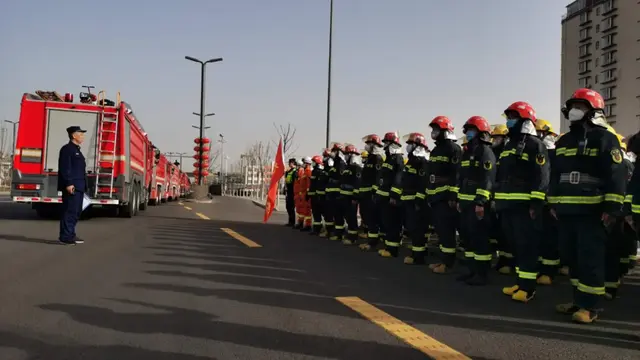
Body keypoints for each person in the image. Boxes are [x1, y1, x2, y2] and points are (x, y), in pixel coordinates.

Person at [550, 88, 625, 323]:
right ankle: (577, 300)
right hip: (566, 211)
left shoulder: (605, 138)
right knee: (571, 257)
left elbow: (616, 175)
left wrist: (611, 208)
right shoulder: (564, 140)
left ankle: (590, 307)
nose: (574, 111)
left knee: (589, 259)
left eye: (579, 106)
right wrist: (552, 201)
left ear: (592, 110)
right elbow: (554, 175)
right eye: (572, 106)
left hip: (593, 212)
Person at [496, 101, 549, 303]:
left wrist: (536, 204)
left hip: (524, 206)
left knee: (527, 246)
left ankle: (528, 288)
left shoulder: (535, 145)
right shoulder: (510, 145)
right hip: (508, 205)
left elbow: (542, 176)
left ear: (525, 120)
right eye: (509, 118)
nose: (510, 122)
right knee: (516, 245)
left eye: (514, 117)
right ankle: (520, 282)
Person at [456, 116, 497, 285]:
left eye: (472, 130)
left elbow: (487, 179)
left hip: (477, 204)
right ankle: (472, 271)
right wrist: (459, 199)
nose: (469, 133)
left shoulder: (485, 152)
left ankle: (482, 274)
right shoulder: (468, 152)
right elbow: (462, 178)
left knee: (480, 239)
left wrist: (481, 202)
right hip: (465, 203)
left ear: (480, 132)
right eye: (468, 131)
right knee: (469, 238)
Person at [426, 116, 463, 274]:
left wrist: (452, 196)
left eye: (437, 129)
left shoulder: (453, 149)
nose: (434, 133)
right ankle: (443, 260)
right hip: (435, 196)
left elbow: (456, 174)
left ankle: (448, 264)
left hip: (446, 198)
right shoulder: (436, 149)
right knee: (441, 230)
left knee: (447, 231)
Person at [534, 119, 561, 285]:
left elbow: (555, 180)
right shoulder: (538, 152)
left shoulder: (555, 154)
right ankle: (541, 267)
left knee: (551, 237)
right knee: (539, 237)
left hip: (550, 202)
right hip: (539, 201)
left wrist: (553, 203)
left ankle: (549, 271)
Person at [399, 132, 430, 265]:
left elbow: (423, 183)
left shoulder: (422, 162)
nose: (408, 146)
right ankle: (416, 252)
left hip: (416, 202)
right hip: (408, 200)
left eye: (411, 144)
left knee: (417, 229)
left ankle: (418, 257)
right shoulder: (411, 161)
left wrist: (419, 200)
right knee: (412, 228)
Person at [376, 132, 405, 258]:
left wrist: (394, 195)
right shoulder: (388, 158)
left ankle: (393, 250)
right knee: (387, 222)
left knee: (392, 223)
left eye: (387, 143)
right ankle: (389, 247)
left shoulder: (397, 159)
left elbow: (398, 178)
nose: (385, 145)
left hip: (391, 198)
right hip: (384, 197)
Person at [58, 126, 88, 245]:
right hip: (72, 186)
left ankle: (71, 234)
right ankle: (65, 237)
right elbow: (65, 168)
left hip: (79, 186)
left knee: (76, 212)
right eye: (80, 134)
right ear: (74, 135)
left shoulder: (77, 150)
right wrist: (69, 183)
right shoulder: (67, 149)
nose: (82, 136)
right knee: (69, 211)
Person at [284, 159, 298, 226]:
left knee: (292, 207)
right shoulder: (288, 171)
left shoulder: (295, 171)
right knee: (288, 206)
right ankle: (290, 221)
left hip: (293, 191)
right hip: (288, 191)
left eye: (290, 163)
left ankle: (292, 222)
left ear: (293, 163)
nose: (289, 164)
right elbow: (286, 180)